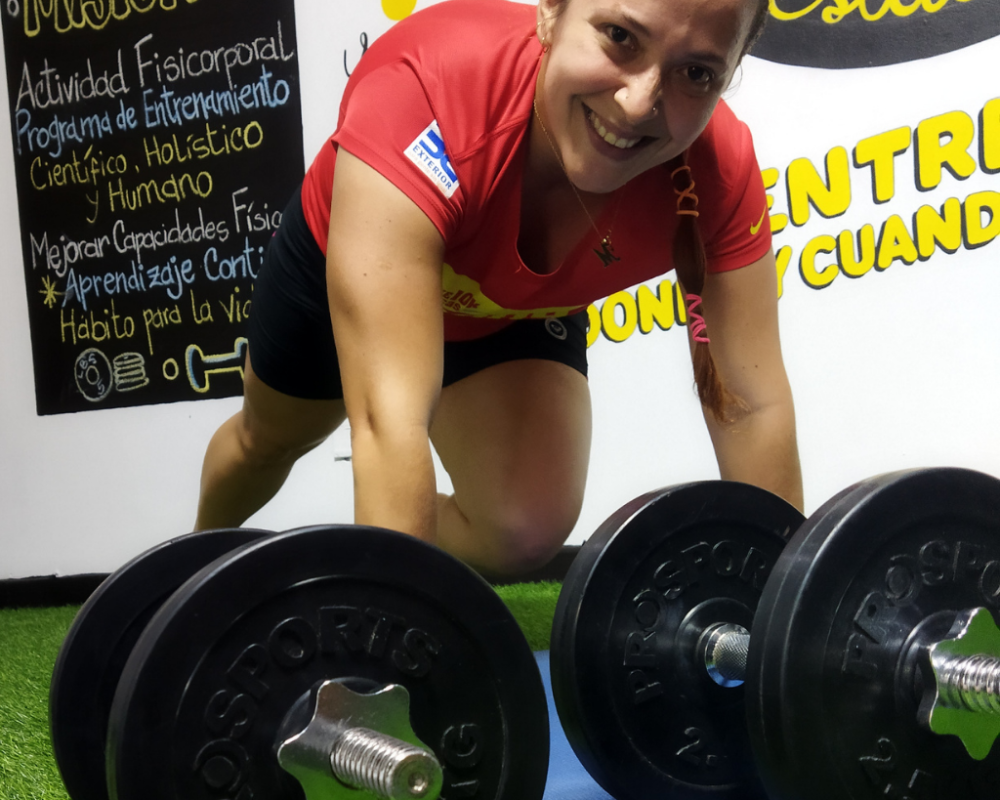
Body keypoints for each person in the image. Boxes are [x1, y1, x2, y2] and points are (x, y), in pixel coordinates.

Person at [194, 0, 803, 576]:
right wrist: (400, 635)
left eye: (696, 73)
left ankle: (344, 556)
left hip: (504, 311)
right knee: (265, 444)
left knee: (523, 531)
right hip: (355, 268)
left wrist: (788, 610)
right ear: (552, 11)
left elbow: (751, 406)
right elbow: (390, 425)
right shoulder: (424, 92)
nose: (638, 102)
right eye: (620, 37)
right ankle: (188, 571)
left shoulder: (717, 172)